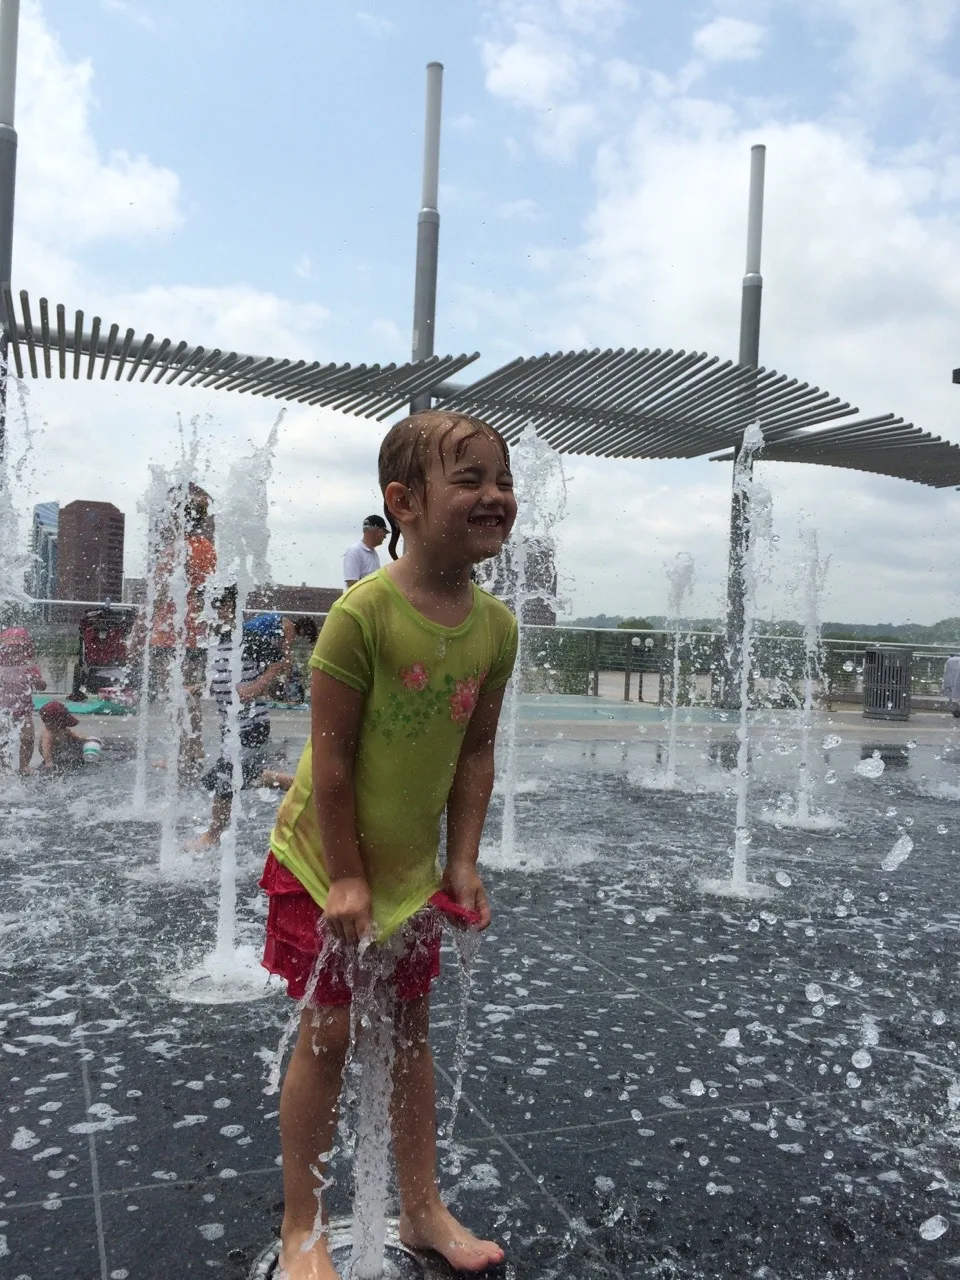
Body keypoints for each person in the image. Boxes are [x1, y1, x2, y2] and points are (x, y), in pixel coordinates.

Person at [260, 409, 518, 1279]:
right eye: (471, 479)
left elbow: (475, 751)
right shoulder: (361, 616)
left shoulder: (496, 628)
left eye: (503, 480)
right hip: (322, 863)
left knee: (410, 1032)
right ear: (402, 503)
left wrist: (462, 859)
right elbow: (328, 764)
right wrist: (344, 877)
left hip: (406, 874)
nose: (496, 496)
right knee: (329, 1035)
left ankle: (421, 1210)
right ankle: (303, 1228)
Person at [187, 588, 294, 852]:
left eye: (221, 607)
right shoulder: (216, 639)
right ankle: (295, 785)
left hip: (252, 723)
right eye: (211, 608)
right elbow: (224, 677)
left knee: (225, 779)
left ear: (233, 608)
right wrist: (202, 687)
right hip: (230, 726)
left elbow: (282, 663)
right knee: (223, 779)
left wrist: (258, 685)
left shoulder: (248, 637)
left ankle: (212, 836)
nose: (214, 613)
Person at [143, 482, 217, 778]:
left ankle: (182, 754)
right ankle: (193, 750)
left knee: (174, 695)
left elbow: (159, 594)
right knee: (190, 695)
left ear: (179, 517)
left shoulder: (176, 550)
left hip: (169, 634)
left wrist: (140, 628)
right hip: (195, 633)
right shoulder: (208, 549)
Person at [243, 611, 319, 702]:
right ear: (304, 629)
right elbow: (286, 652)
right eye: (305, 635)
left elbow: (279, 649)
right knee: (276, 664)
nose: (302, 637)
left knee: (268, 664)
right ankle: (257, 692)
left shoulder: (285, 623)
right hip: (251, 636)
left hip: (247, 635)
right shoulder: (290, 627)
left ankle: (260, 691)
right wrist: (288, 672)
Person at [0, 627, 45, 773]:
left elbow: (42, 686)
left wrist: (37, 681)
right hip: (3, 711)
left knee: (28, 738)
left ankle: (24, 766)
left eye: (18, 650)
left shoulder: (30, 668)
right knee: (3, 739)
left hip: (25, 711)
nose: (14, 654)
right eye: (10, 650)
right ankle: (3, 766)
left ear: (26, 651)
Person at [38, 700, 91, 771]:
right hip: (53, 756)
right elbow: (46, 749)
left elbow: (73, 734)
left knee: (76, 744)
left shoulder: (62, 729)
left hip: (62, 752)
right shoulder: (48, 734)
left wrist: (87, 739)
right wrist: (49, 762)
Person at [342, 514, 387, 588]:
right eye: (383, 531)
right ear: (375, 530)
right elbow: (352, 584)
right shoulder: (354, 551)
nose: (385, 536)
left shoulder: (374, 554)